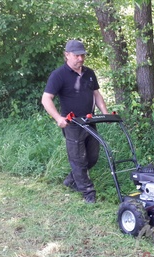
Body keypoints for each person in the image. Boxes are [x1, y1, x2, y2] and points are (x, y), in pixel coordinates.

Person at [41, 39, 108, 203]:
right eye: (77, 55)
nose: (81, 58)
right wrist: (58, 118)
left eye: (83, 55)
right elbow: (46, 99)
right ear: (67, 55)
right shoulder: (59, 75)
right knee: (78, 159)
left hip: (89, 121)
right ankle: (88, 192)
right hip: (72, 124)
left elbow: (96, 94)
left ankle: (71, 181)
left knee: (92, 157)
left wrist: (105, 114)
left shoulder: (89, 73)